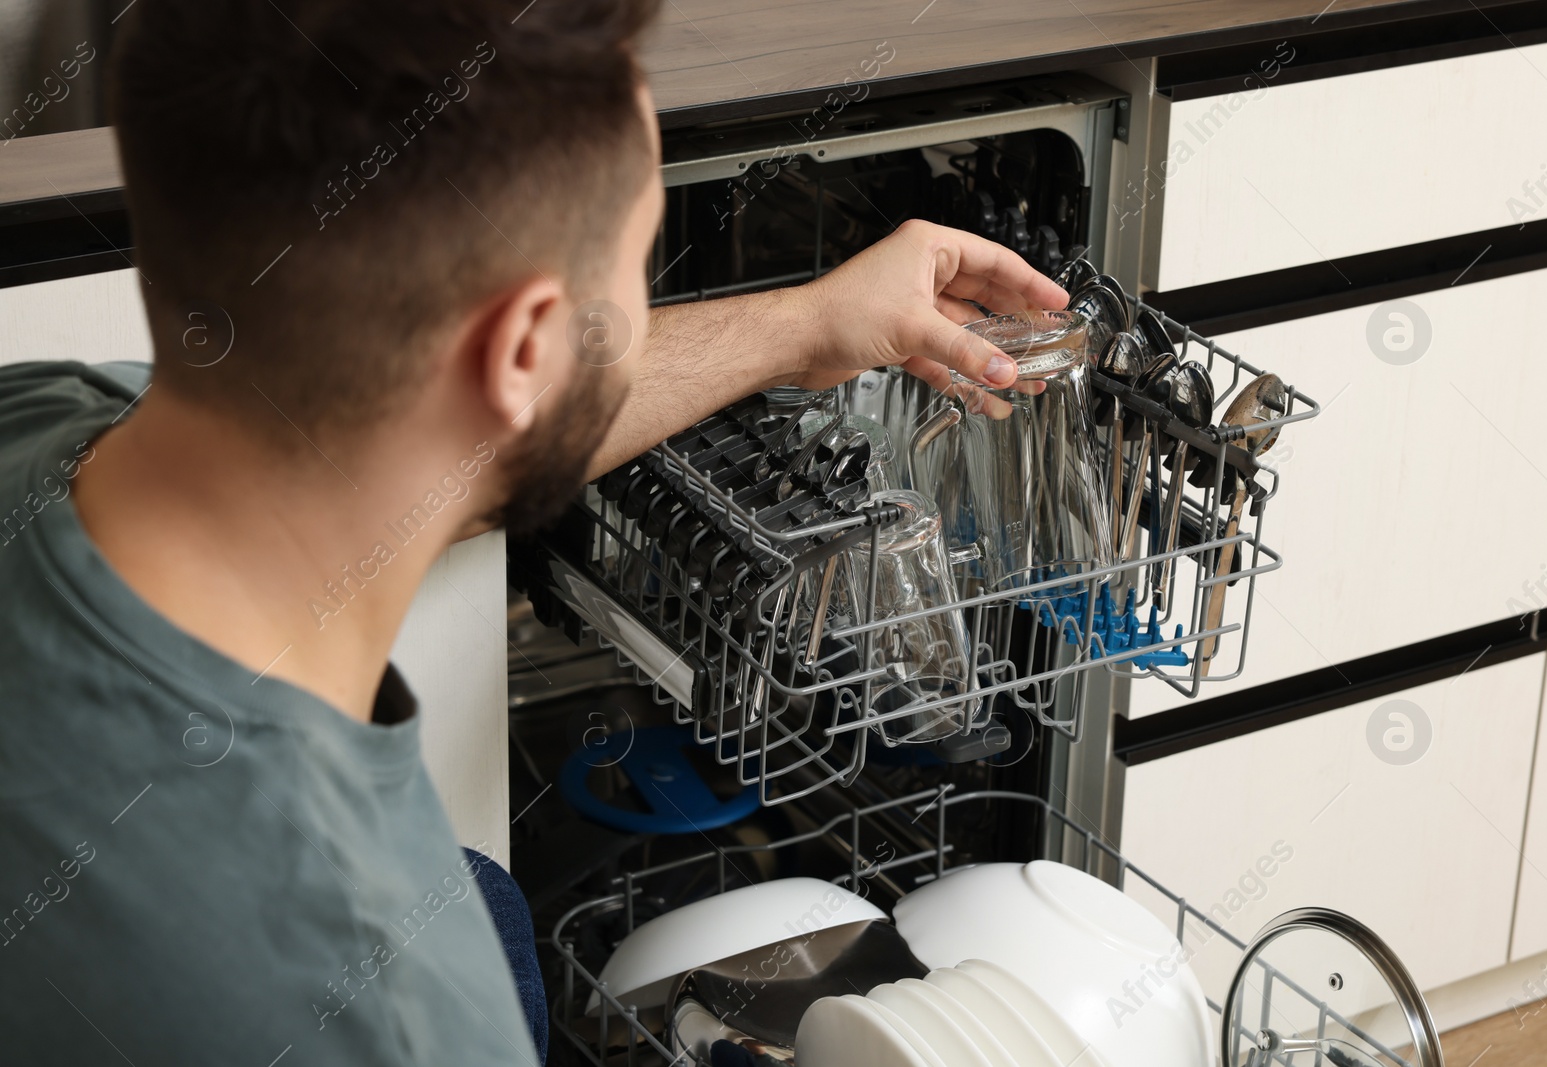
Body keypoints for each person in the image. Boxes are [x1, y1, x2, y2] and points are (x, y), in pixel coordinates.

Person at [0, 0, 1071, 1062]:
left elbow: (415, 439)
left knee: (493, 907)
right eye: (631, 270)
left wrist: (804, 325)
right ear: (519, 352)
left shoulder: (48, 416)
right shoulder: (396, 1018)